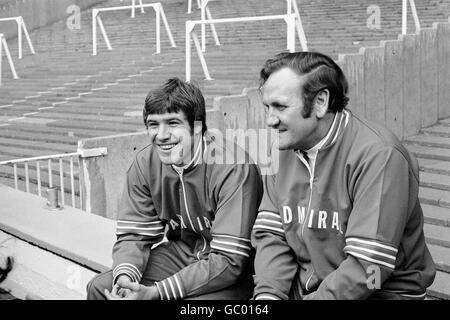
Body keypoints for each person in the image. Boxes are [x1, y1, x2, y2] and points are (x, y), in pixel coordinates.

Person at [251, 51, 436, 300]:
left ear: (320, 102)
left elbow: (369, 268)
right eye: (267, 107)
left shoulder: (379, 155)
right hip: (310, 285)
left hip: (381, 291)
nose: (270, 120)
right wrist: (268, 296)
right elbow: (272, 236)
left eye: (280, 107)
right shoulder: (284, 148)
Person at [86, 77, 262, 300]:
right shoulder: (145, 163)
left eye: (173, 123)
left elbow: (229, 260)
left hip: (235, 270)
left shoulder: (233, 166)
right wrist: (125, 280)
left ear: (196, 128)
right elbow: (135, 235)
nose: (161, 135)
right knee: (100, 288)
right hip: (184, 252)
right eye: (153, 124)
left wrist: (157, 293)